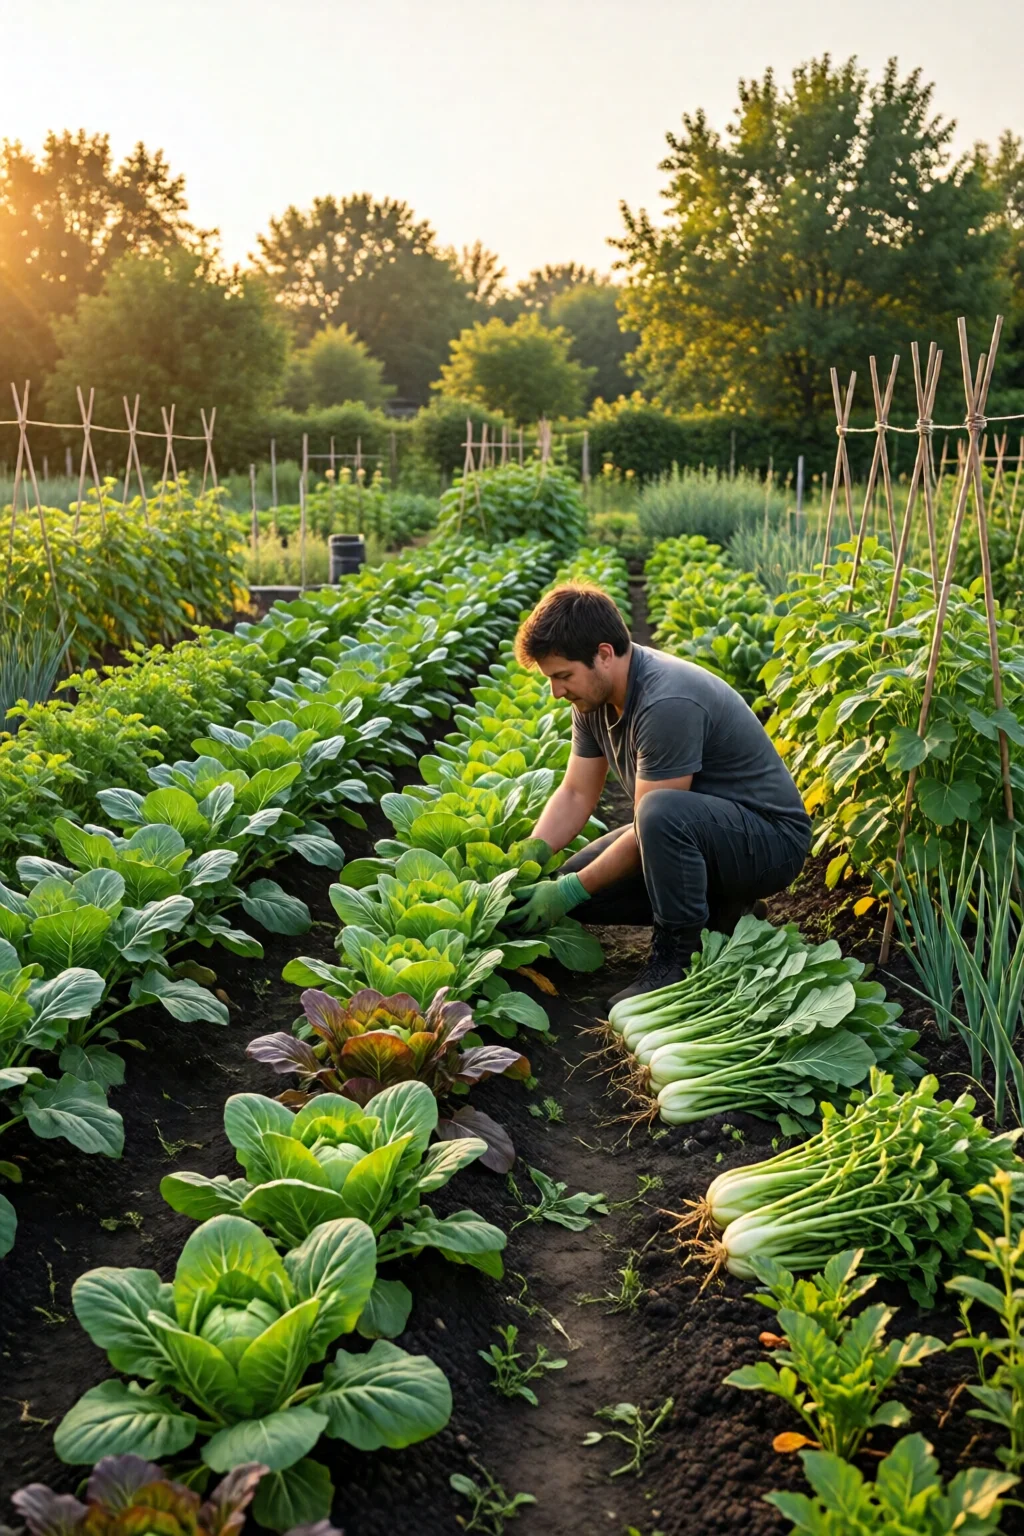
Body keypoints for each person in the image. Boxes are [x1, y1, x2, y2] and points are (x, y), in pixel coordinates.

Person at [507, 583, 812, 1004]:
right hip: (701, 833)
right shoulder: (591, 702)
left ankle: (674, 961)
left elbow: (653, 823)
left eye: (563, 676)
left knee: (652, 817)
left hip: (768, 842)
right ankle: (725, 913)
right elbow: (577, 792)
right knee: (578, 895)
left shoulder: (665, 701)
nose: (557, 692)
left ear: (604, 654)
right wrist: (532, 854)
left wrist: (571, 889)